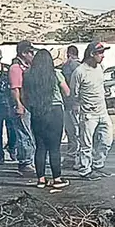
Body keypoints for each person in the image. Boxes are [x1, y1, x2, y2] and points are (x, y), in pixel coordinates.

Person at [22, 49, 71, 189]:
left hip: (37, 111)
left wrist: (31, 107)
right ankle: (57, 178)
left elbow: (24, 97)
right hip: (55, 111)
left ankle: (41, 179)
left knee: (40, 146)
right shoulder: (56, 74)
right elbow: (67, 92)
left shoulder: (29, 75)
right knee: (54, 147)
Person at [70, 41, 113, 179]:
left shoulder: (100, 68)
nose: (102, 56)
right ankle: (85, 170)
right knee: (86, 144)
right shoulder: (79, 71)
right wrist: (77, 106)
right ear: (91, 54)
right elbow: (74, 93)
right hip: (88, 113)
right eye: (100, 53)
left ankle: (98, 165)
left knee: (107, 140)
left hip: (102, 111)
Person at [10, 40, 36, 174]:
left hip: (29, 104)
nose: (33, 55)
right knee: (24, 134)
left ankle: (29, 160)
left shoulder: (26, 66)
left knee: (30, 133)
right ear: (24, 53)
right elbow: (15, 88)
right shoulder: (16, 68)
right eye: (31, 52)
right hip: (21, 105)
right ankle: (24, 162)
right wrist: (18, 104)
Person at [60, 45, 81, 155]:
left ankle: (72, 154)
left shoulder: (68, 66)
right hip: (82, 101)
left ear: (68, 54)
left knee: (71, 128)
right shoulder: (82, 66)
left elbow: (68, 86)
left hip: (69, 101)